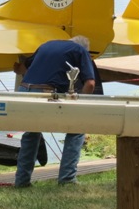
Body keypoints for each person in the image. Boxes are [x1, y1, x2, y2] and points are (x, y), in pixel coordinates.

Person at [14, 36, 95, 188]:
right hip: (46, 92)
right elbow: (90, 84)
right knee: (76, 130)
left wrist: (16, 68)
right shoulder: (81, 50)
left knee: (32, 132)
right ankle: (67, 180)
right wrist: (81, 104)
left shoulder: (46, 44)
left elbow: (23, 68)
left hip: (24, 90)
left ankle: (21, 181)